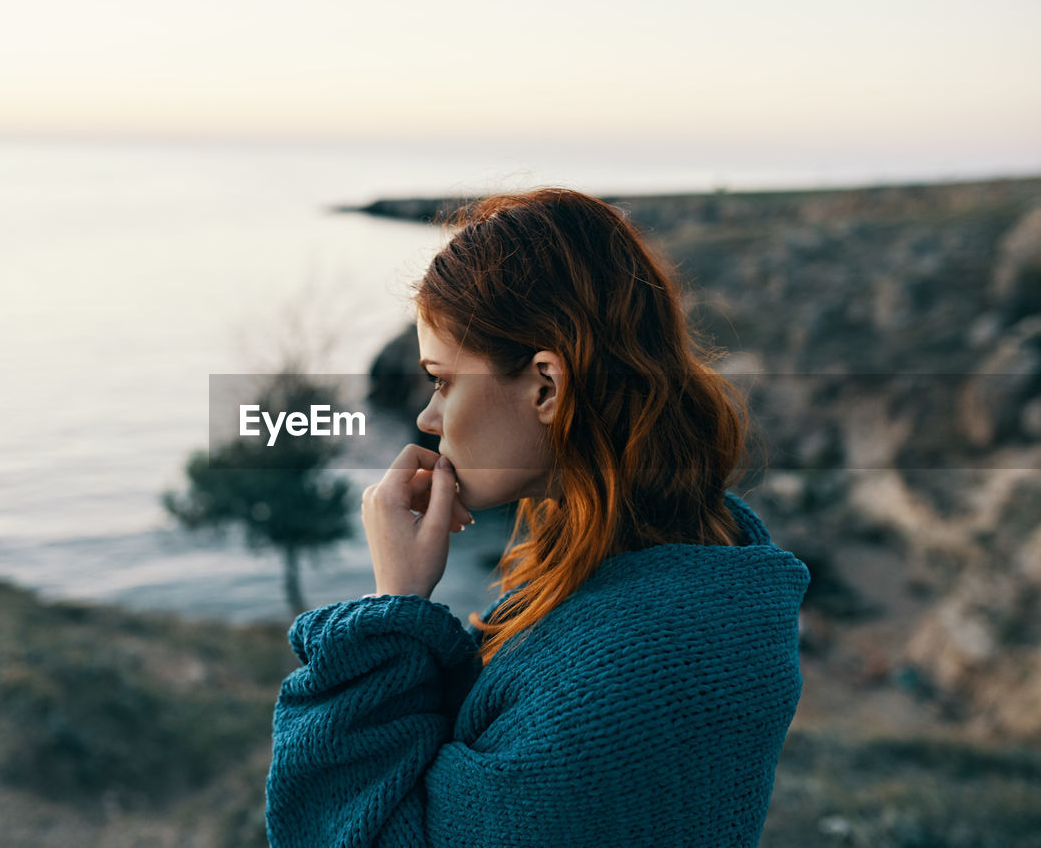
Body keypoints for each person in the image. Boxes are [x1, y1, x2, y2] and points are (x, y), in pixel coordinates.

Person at [265, 187, 810, 846]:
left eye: (442, 382)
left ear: (546, 387)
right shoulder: (698, 555)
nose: (426, 420)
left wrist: (394, 607)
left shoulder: (615, 680)